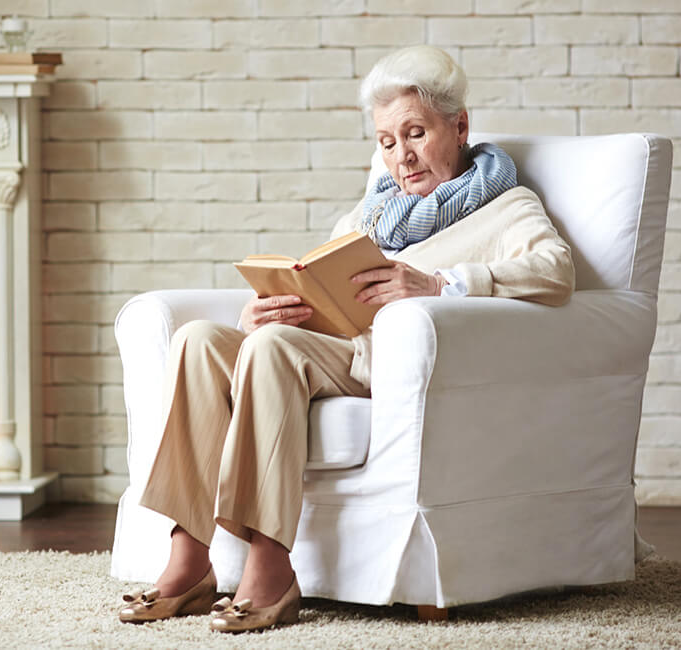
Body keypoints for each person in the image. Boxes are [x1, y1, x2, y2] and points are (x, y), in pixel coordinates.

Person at [117, 45, 575, 633]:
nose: (402, 157)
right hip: (327, 348)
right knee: (201, 340)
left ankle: (271, 565)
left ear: (458, 126)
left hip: (383, 364)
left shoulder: (505, 203)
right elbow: (317, 284)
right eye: (386, 142)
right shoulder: (369, 215)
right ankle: (189, 558)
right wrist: (266, 311)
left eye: (416, 133)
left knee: (270, 349)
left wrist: (440, 283)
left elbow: (555, 270)